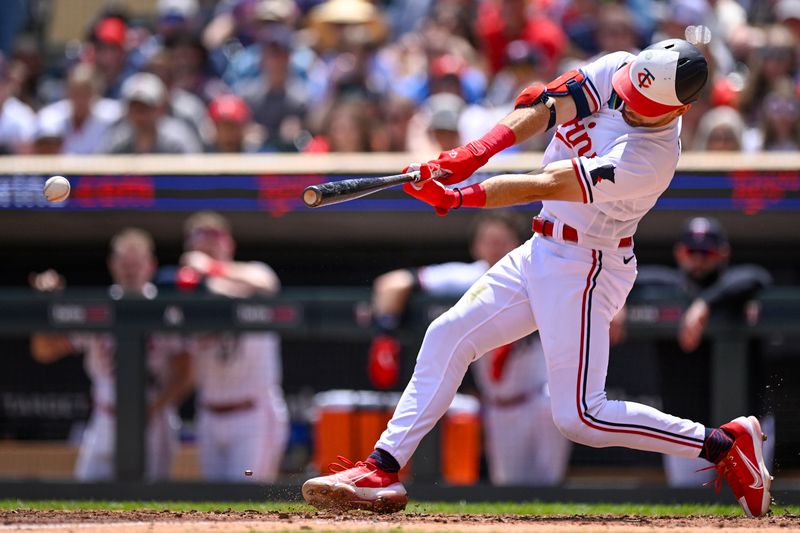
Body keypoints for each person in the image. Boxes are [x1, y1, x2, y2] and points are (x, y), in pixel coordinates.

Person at [302, 39, 773, 517]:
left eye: (644, 102)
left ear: (682, 108)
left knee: (581, 417)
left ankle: (721, 444)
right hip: (542, 249)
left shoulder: (651, 158)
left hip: (588, 265)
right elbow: (546, 106)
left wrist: (463, 195)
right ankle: (382, 467)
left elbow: (549, 183)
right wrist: (469, 154)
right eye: (631, 90)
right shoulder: (621, 70)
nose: (629, 100)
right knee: (448, 334)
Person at [368, 211, 570, 486]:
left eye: (502, 241)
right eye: (489, 241)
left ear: (518, 245)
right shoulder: (470, 276)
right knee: (508, 487)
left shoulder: (538, 273)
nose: (495, 248)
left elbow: (591, 283)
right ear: (476, 245)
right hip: (498, 405)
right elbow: (393, 282)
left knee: (549, 482)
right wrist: (385, 332)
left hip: (539, 399)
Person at [618, 217, 774, 487]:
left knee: (751, 503)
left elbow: (757, 276)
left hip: (745, 424)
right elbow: (628, 276)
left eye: (707, 253)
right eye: (692, 252)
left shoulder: (736, 286)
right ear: (680, 252)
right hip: (687, 428)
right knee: (689, 506)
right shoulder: (667, 286)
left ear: (722, 254)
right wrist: (618, 299)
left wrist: (705, 304)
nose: (698, 259)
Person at [29, 229, 191, 481]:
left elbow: (185, 373)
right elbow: (44, 351)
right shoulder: (99, 308)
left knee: (151, 505)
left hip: (153, 419)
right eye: (124, 263)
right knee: (84, 498)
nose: (130, 270)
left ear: (151, 265)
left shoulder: (165, 310)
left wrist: (154, 407)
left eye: (136, 263)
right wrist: (43, 307)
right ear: (112, 265)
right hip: (105, 417)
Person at [174, 211, 289, 482]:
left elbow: (268, 284)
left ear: (228, 245)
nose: (206, 251)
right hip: (209, 414)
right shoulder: (187, 292)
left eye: (213, 243)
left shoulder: (251, 274)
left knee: (249, 498)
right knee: (215, 505)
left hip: (252, 414)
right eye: (199, 246)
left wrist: (212, 269)